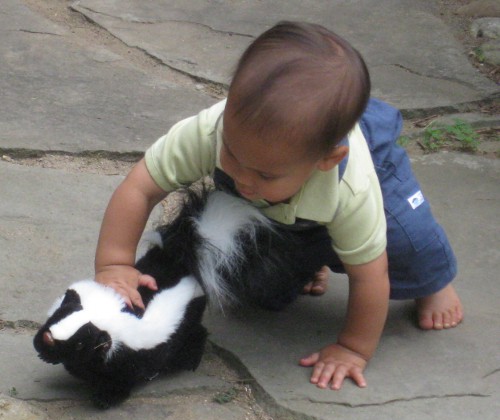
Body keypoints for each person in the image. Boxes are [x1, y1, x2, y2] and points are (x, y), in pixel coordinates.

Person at [94, 21, 463, 391]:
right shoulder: (213, 131)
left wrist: (353, 347)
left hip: (373, 179)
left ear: (327, 160)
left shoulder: (350, 188)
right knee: (259, 283)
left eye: (265, 174)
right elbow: (140, 187)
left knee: (408, 243)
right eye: (232, 155)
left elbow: (369, 275)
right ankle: (310, 253)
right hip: (289, 199)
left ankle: (434, 282)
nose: (244, 178)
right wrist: (115, 263)